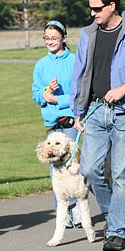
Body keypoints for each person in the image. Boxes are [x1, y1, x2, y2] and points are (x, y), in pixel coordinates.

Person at [70, 0, 125, 251]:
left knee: (121, 176)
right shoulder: (88, 34)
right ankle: (116, 214)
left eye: (97, 8)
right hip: (95, 112)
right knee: (89, 170)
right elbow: (80, 73)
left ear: (112, 5)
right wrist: (77, 109)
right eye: (90, 8)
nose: (92, 14)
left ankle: (117, 230)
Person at [32, 20, 82, 229]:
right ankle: (63, 213)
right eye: (47, 39)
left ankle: (78, 209)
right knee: (55, 168)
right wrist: (47, 92)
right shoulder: (41, 64)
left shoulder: (74, 60)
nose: (50, 42)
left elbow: (80, 91)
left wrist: (58, 100)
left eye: (54, 38)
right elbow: (36, 94)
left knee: (73, 166)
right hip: (53, 123)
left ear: (63, 38)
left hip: (72, 120)